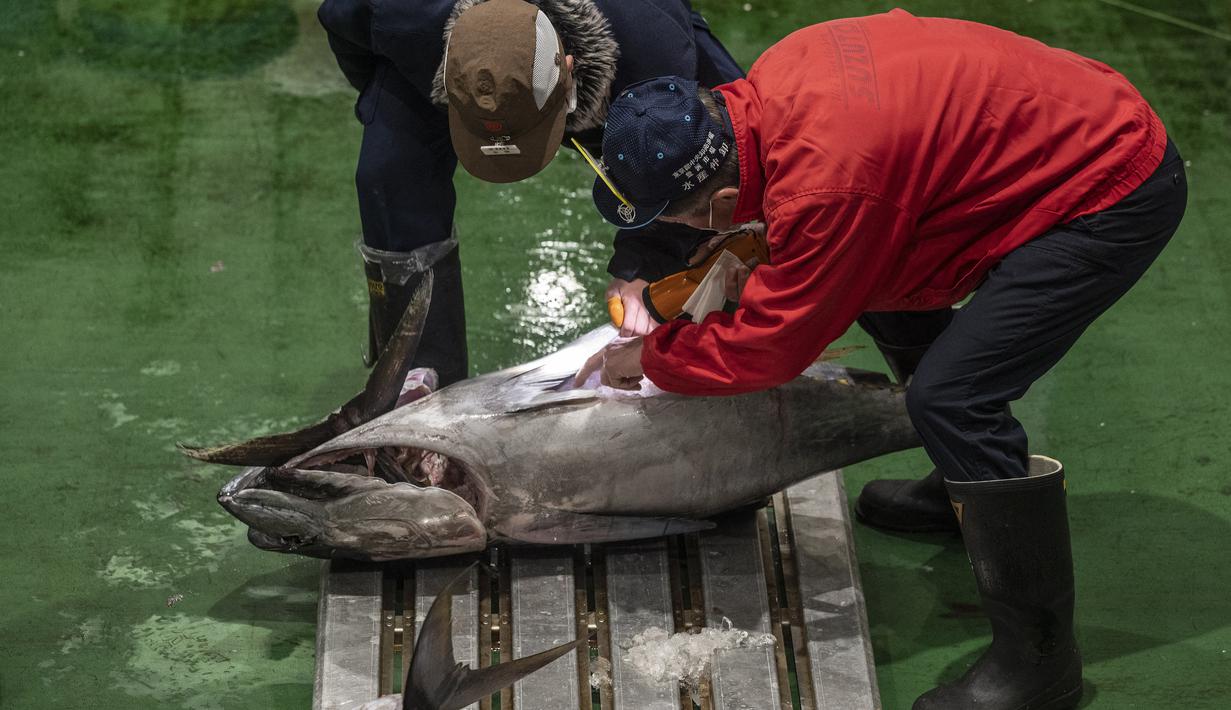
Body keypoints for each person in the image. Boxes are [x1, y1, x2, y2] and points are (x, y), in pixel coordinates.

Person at [574, 10, 1186, 710]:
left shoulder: (827, 185)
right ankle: (960, 484)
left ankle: (1039, 663)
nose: (677, 234)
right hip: (1059, 123)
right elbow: (849, 213)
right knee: (872, 295)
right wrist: (765, 254)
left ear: (720, 200)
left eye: (679, 220)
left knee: (954, 398)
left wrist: (655, 358)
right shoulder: (773, 84)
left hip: (1108, 188)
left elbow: (773, 347)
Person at [315, 0, 743, 384]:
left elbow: (685, 152)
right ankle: (415, 368)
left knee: (727, 149)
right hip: (443, 56)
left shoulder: (652, 42)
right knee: (387, 168)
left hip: (618, 43)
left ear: (570, 69)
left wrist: (645, 264)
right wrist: (403, 101)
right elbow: (343, 30)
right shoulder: (399, 15)